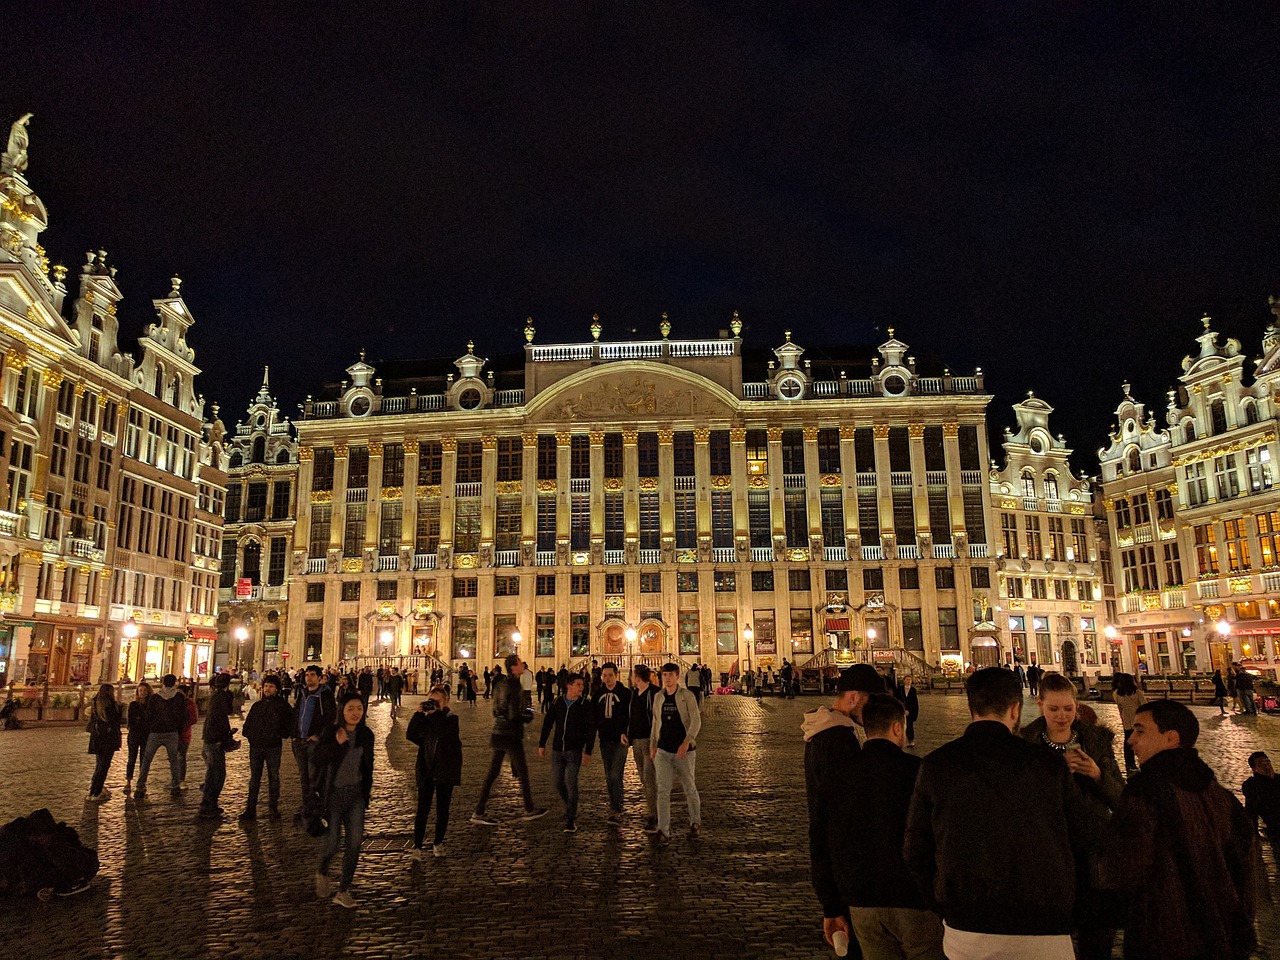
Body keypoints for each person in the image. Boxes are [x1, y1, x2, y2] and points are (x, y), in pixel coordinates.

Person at [904, 667, 1087, 960]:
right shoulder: (1048, 765)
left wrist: (945, 903)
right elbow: (1082, 840)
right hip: (1043, 926)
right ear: (1016, 709)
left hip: (968, 928)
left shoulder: (937, 765)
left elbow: (915, 850)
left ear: (970, 707)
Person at [1103, 700, 1256, 960]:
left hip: (1161, 935)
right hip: (1220, 934)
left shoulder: (1144, 792)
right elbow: (1245, 866)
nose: (1131, 741)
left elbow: (1126, 870)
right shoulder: (1219, 794)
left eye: (1140, 731)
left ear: (1171, 738)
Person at [817, 694, 944, 960]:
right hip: (915, 900)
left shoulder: (839, 774)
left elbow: (820, 841)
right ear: (897, 728)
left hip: (862, 902)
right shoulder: (919, 770)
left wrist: (831, 905)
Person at [1022, 672, 1124, 960]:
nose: (1062, 716)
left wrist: (1097, 774)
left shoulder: (1097, 742)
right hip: (1047, 857)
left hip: (1092, 858)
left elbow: (1121, 799)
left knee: (1097, 941)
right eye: (1053, 709)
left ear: (1077, 706)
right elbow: (1020, 802)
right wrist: (1054, 775)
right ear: (1040, 704)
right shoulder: (1026, 744)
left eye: (1068, 709)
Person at [805, 664, 882, 958]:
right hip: (847, 878)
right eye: (870, 702)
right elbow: (837, 822)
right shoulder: (838, 740)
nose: (872, 711)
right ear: (852, 698)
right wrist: (832, 903)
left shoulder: (823, 732)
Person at [471, 654, 547, 825]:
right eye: (520, 663)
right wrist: (528, 715)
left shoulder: (501, 684)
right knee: (523, 772)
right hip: (510, 734)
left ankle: (479, 811)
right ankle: (529, 808)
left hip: (498, 733)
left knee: (492, 773)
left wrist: (524, 710)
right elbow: (514, 714)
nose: (523, 665)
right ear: (513, 667)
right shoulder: (513, 685)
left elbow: (496, 710)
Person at [314, 694, 374, 908]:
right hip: (334, 795)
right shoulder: (332, 732)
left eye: (359, 708)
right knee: (332, 843)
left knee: (355, 842)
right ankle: (322, 869)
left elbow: (368, 765)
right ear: (342, 711)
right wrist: (336, 745)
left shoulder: (366, 734)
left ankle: (343, 889)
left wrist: (366, 792)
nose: (355, 713)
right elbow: (317, 758)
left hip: (356, 794)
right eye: (351, 708)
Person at [406, 684, 462, 858]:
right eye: (431, 701)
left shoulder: (452, 719)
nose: (434, 705)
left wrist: (435, 714)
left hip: (445, 769)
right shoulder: (425, 718)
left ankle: (438, 842)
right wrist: (418, 714)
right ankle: (417, 845)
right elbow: (411, 735)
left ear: (445, 703)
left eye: (437, 702)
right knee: (422, 809)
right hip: (427, 768)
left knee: (442, 809)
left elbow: (441, 733)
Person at [650, 662, 702, 846]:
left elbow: (696, 721)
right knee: (663, 790)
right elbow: (656, 723)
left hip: (684, 751)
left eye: (670, 675)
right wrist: (653, 744)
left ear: (677, 675)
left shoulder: (687, 696)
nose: (667, 678)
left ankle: (695, 822)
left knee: (689, 787)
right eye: (664, 675)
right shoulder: (658, 697)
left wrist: (687, 741)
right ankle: (663, 830)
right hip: (663, 750)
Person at [539, 674, 594, 833]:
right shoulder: (558, 703)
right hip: (557, 749)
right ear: (569, 686)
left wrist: (587, 750)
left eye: (582, 685)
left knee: (571, 783)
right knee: (557, 782)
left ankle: (571, 818)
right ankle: (569, 804)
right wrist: (542, 743)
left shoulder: (585, 705)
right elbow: (548, 723)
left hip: (574, 750)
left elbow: (591, 729)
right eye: (578, 684)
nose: (581, 688)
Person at [239, 673, 293, 822]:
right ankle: (250, 809)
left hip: (273, 747)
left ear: (276, 689)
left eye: (271, 686)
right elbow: (247, 725)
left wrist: (281, 734)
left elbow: (289, 723)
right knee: (254, 778)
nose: (268, 689)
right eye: (266, 686)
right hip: (256, 747)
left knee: (273, 777)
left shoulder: (282, 706)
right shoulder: (257, 705)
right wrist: (250, 736)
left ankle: (273, 807)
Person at [588, 661, 632, 826]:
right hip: (605, 740)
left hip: (620, 740)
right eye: (604, 675)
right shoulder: (598, 694)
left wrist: (626, 732)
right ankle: (614, 807)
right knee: (608, 775)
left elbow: (629, 716)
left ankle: (617, 807)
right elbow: (593, 719)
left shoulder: (625, 693)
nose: (607, 678)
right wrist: (590, 743)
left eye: (610, 675)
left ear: (616, 675)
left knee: (616, 774)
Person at [293, 665, 337, 818]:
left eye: (312, 675)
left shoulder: (325, 695)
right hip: (300, 740)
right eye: (307, 675)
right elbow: (297, 712)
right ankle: (307, 805)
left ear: (319, 678)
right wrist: (294, 734)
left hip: (314, 741)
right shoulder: (302, 693)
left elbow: (330, 717)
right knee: (304, 775)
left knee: (316, 776)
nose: (309, 678)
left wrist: (318, 735)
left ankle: (319, 806)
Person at [135, 674, 187, 802]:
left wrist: (151, 727)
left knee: (147, 760)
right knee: (173, 760)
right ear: (174, 683)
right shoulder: (179, 697)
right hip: (172, 732)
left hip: (156, 732)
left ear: (163, 683)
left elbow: (149, 715)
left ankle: (140, 787)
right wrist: (179, 731)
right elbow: (182, 716)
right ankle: (175, 784)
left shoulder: (156, 697)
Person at [626, 663, 659, 832]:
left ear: (637, 677)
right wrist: (628, 734)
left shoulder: (654, 694)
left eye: (633, 676)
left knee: (649, 778)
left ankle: (654, 815)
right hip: (636, 742)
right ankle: (654, 809)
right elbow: (631, 716)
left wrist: (655, 741)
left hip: (649, 741)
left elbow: (656, 719)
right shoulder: (634, 694)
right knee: (644, 779)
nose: (631, 678)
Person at [199, 672, 236, 820]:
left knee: (214, 773)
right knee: (216, 774)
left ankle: (209, 804)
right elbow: (220, 719)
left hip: (212, 739)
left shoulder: (216, 697)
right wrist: (224, 738)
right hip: (215, 741)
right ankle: (208, 804)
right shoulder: (220, 698)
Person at [86, 684, 123, 803]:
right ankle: (97, 792)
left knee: (99, 766)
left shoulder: (96, 704)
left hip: (97, 739)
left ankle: (92, 791)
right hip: (108, 739)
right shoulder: (110, 705)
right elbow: (115, 721)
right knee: (104, 767)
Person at [1243, 751, 1280, 848]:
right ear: (1254, 769)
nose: (1266, 766)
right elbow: (1250, 813)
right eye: (1261, 764)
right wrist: (1255, 835)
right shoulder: (1253, 786)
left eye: (1267, 762)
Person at [1113, 672, 1147, 770]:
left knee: (1128, 742)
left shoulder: (1118, 694)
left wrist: (1122, 718)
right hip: (1137, 719)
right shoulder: (1136, 692)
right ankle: (1143, 761)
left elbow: (1120, 707)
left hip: (1126, 720)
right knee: (1142, 740)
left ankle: (1129, 763)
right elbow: (1144, 705)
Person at [124, 682, 152, 795]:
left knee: (144, 760)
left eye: (144, 690)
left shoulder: (151, 705)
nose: (142, 693)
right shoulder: (133, 705)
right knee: (132, 758)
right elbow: (131, 720)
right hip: (134, 735)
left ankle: (141, 782)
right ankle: (128, 781)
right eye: (140, 691)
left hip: (146, 735)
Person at [894, 674, 920, 747]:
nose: (908, 681)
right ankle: (901, 740)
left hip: (910, 711)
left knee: (909, 726)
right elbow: (897, 700)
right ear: (904, 680)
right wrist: (903, 709)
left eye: (909, 680)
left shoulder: (913, 690)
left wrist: (908, 710)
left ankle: (911, 740)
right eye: (907, 679)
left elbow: (914, 702)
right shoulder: (899, 689)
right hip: (901, 710)